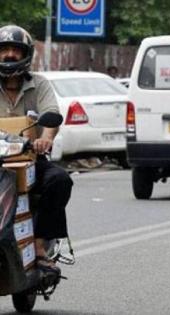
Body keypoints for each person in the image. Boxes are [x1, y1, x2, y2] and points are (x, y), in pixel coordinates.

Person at [0, 25, 73, 274]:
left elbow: (51, 115)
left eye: (15, 50)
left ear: (26, 55)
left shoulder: (39, 84)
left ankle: (40, 248)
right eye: (4, 50)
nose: (9, 55)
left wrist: (46, 138)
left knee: (59, 180)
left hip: (29, 159)